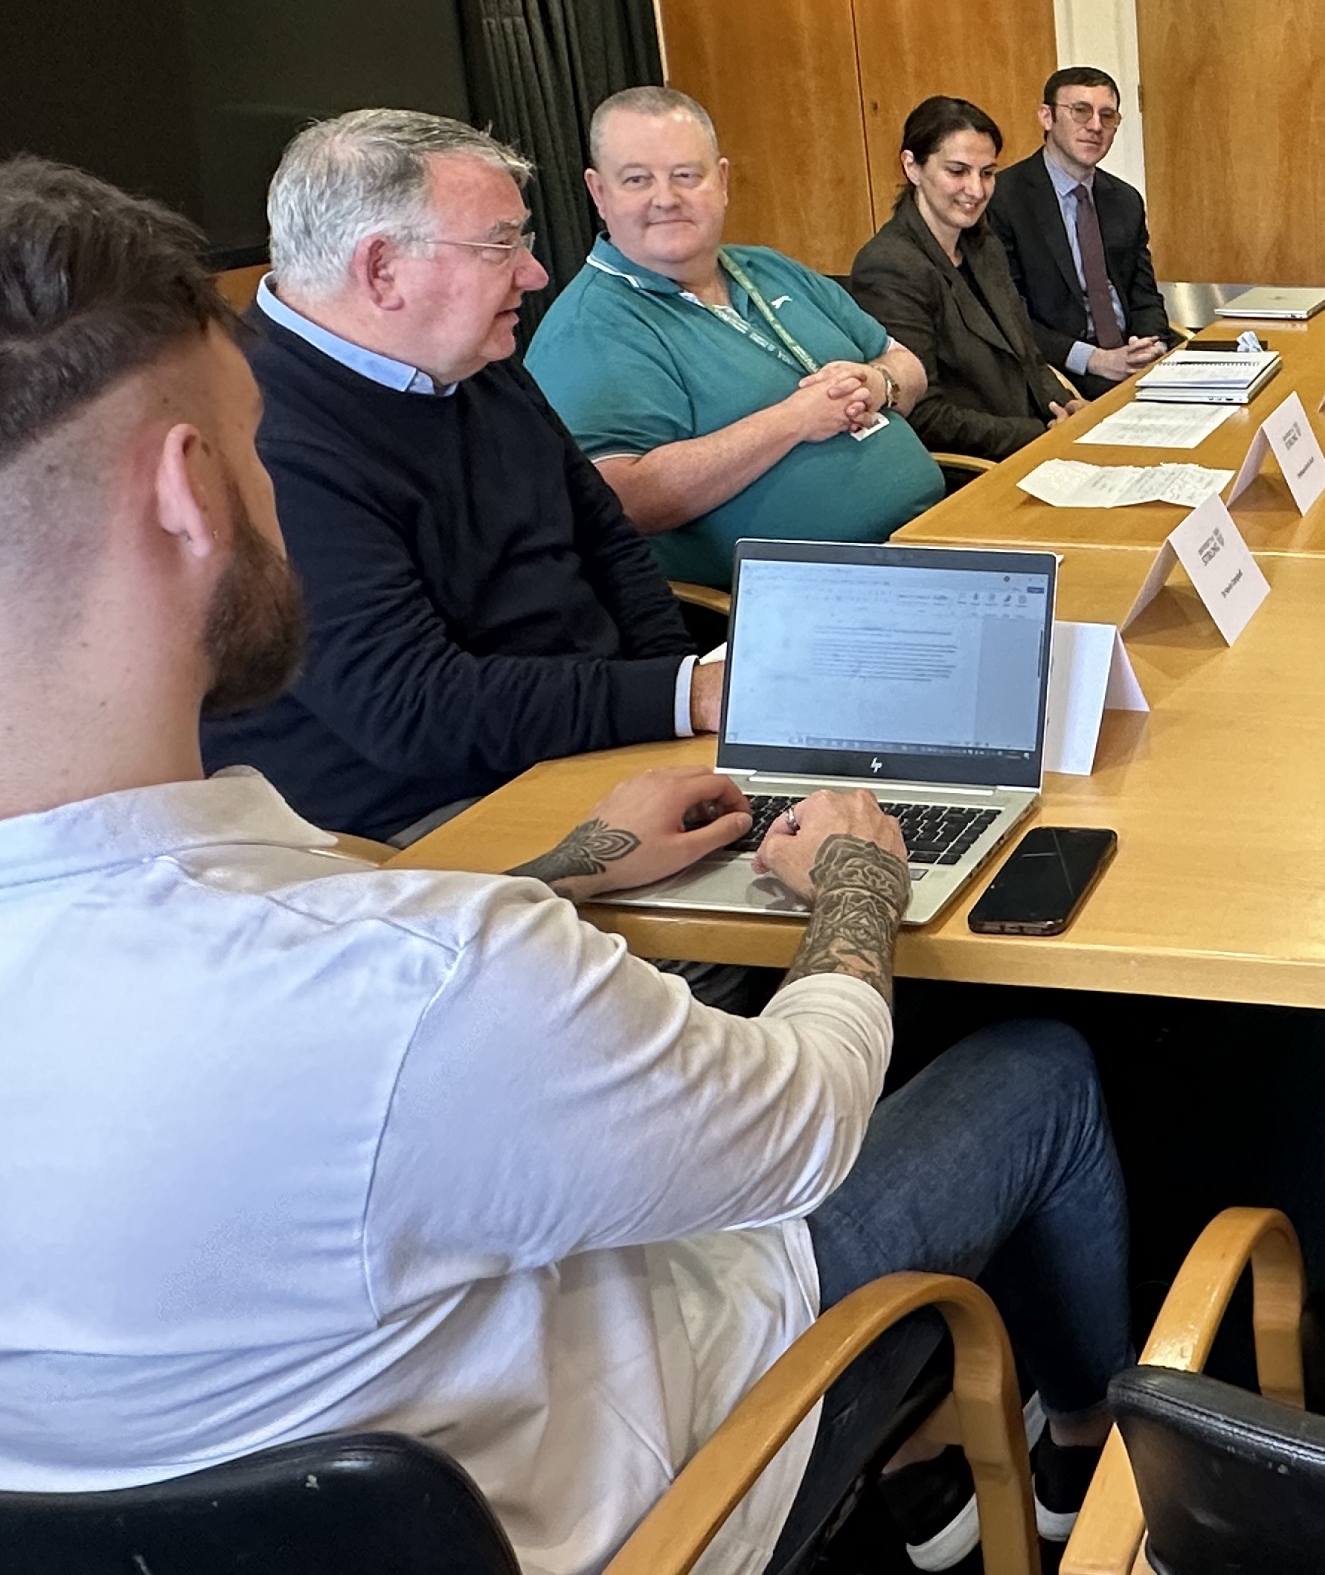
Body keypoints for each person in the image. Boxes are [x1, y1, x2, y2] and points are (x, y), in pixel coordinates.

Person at [0, 158, 1133, 1573]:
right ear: (187, 493)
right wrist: (855, 886)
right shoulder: (439, 984)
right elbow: (802, 1126)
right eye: (255, 449)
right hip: (669, 1496)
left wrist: (572, 866)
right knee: (1036, 1069)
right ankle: (1089, 1468)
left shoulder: (365, 962)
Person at [199, 110, 716, 844]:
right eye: (501, 245)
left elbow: (610, 543)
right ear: (382, 270)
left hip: (586, 746)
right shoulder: (258, 429)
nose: (535, 273)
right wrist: (680, 697)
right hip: (423, 822)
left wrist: (684, 717)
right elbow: (411, 707)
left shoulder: (467, 353)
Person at [526, 86, 943, 589]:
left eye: (686, 175)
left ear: (721, 181)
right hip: (813, 595)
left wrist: (878, 384)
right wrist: (795, 420)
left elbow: (906, 364)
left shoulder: (769, 267)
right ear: (598, 193)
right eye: (637, 180)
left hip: (937, 535)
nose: (666, 199)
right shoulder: (590, 328)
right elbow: (621, 500)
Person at [851, 96, 1080, 461]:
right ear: (912, 167)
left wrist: (1069, 406)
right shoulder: (889, 266)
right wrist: (1041, 434)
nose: (976, 190)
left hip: (1038, 442)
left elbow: (1028, 356)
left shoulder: (984, 244)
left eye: (987, 173)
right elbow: (924, 415)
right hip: (979, 467)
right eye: (957, 171)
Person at [989, 66, 1173, 399]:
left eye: (1107, 116)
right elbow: (1008, 316)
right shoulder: (1003, 199)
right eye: (1081, 111)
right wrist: (1094, 359)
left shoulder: (1125, 200)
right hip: (1063, 370)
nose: (1095, 126)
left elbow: (1144, 295)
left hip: (1132, 358)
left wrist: (1150, 345)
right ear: (1047, 117)